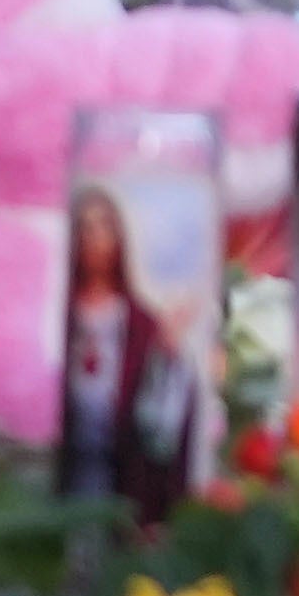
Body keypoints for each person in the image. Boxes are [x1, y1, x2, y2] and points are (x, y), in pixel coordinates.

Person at [60, 187, 195, 521]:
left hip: (121, 481)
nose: (93, 238)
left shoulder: (140, 325)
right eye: (84, 228)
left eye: (103, 226)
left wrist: (165, 358)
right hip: (66, 476)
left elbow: (162, 423)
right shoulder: (57, 318)